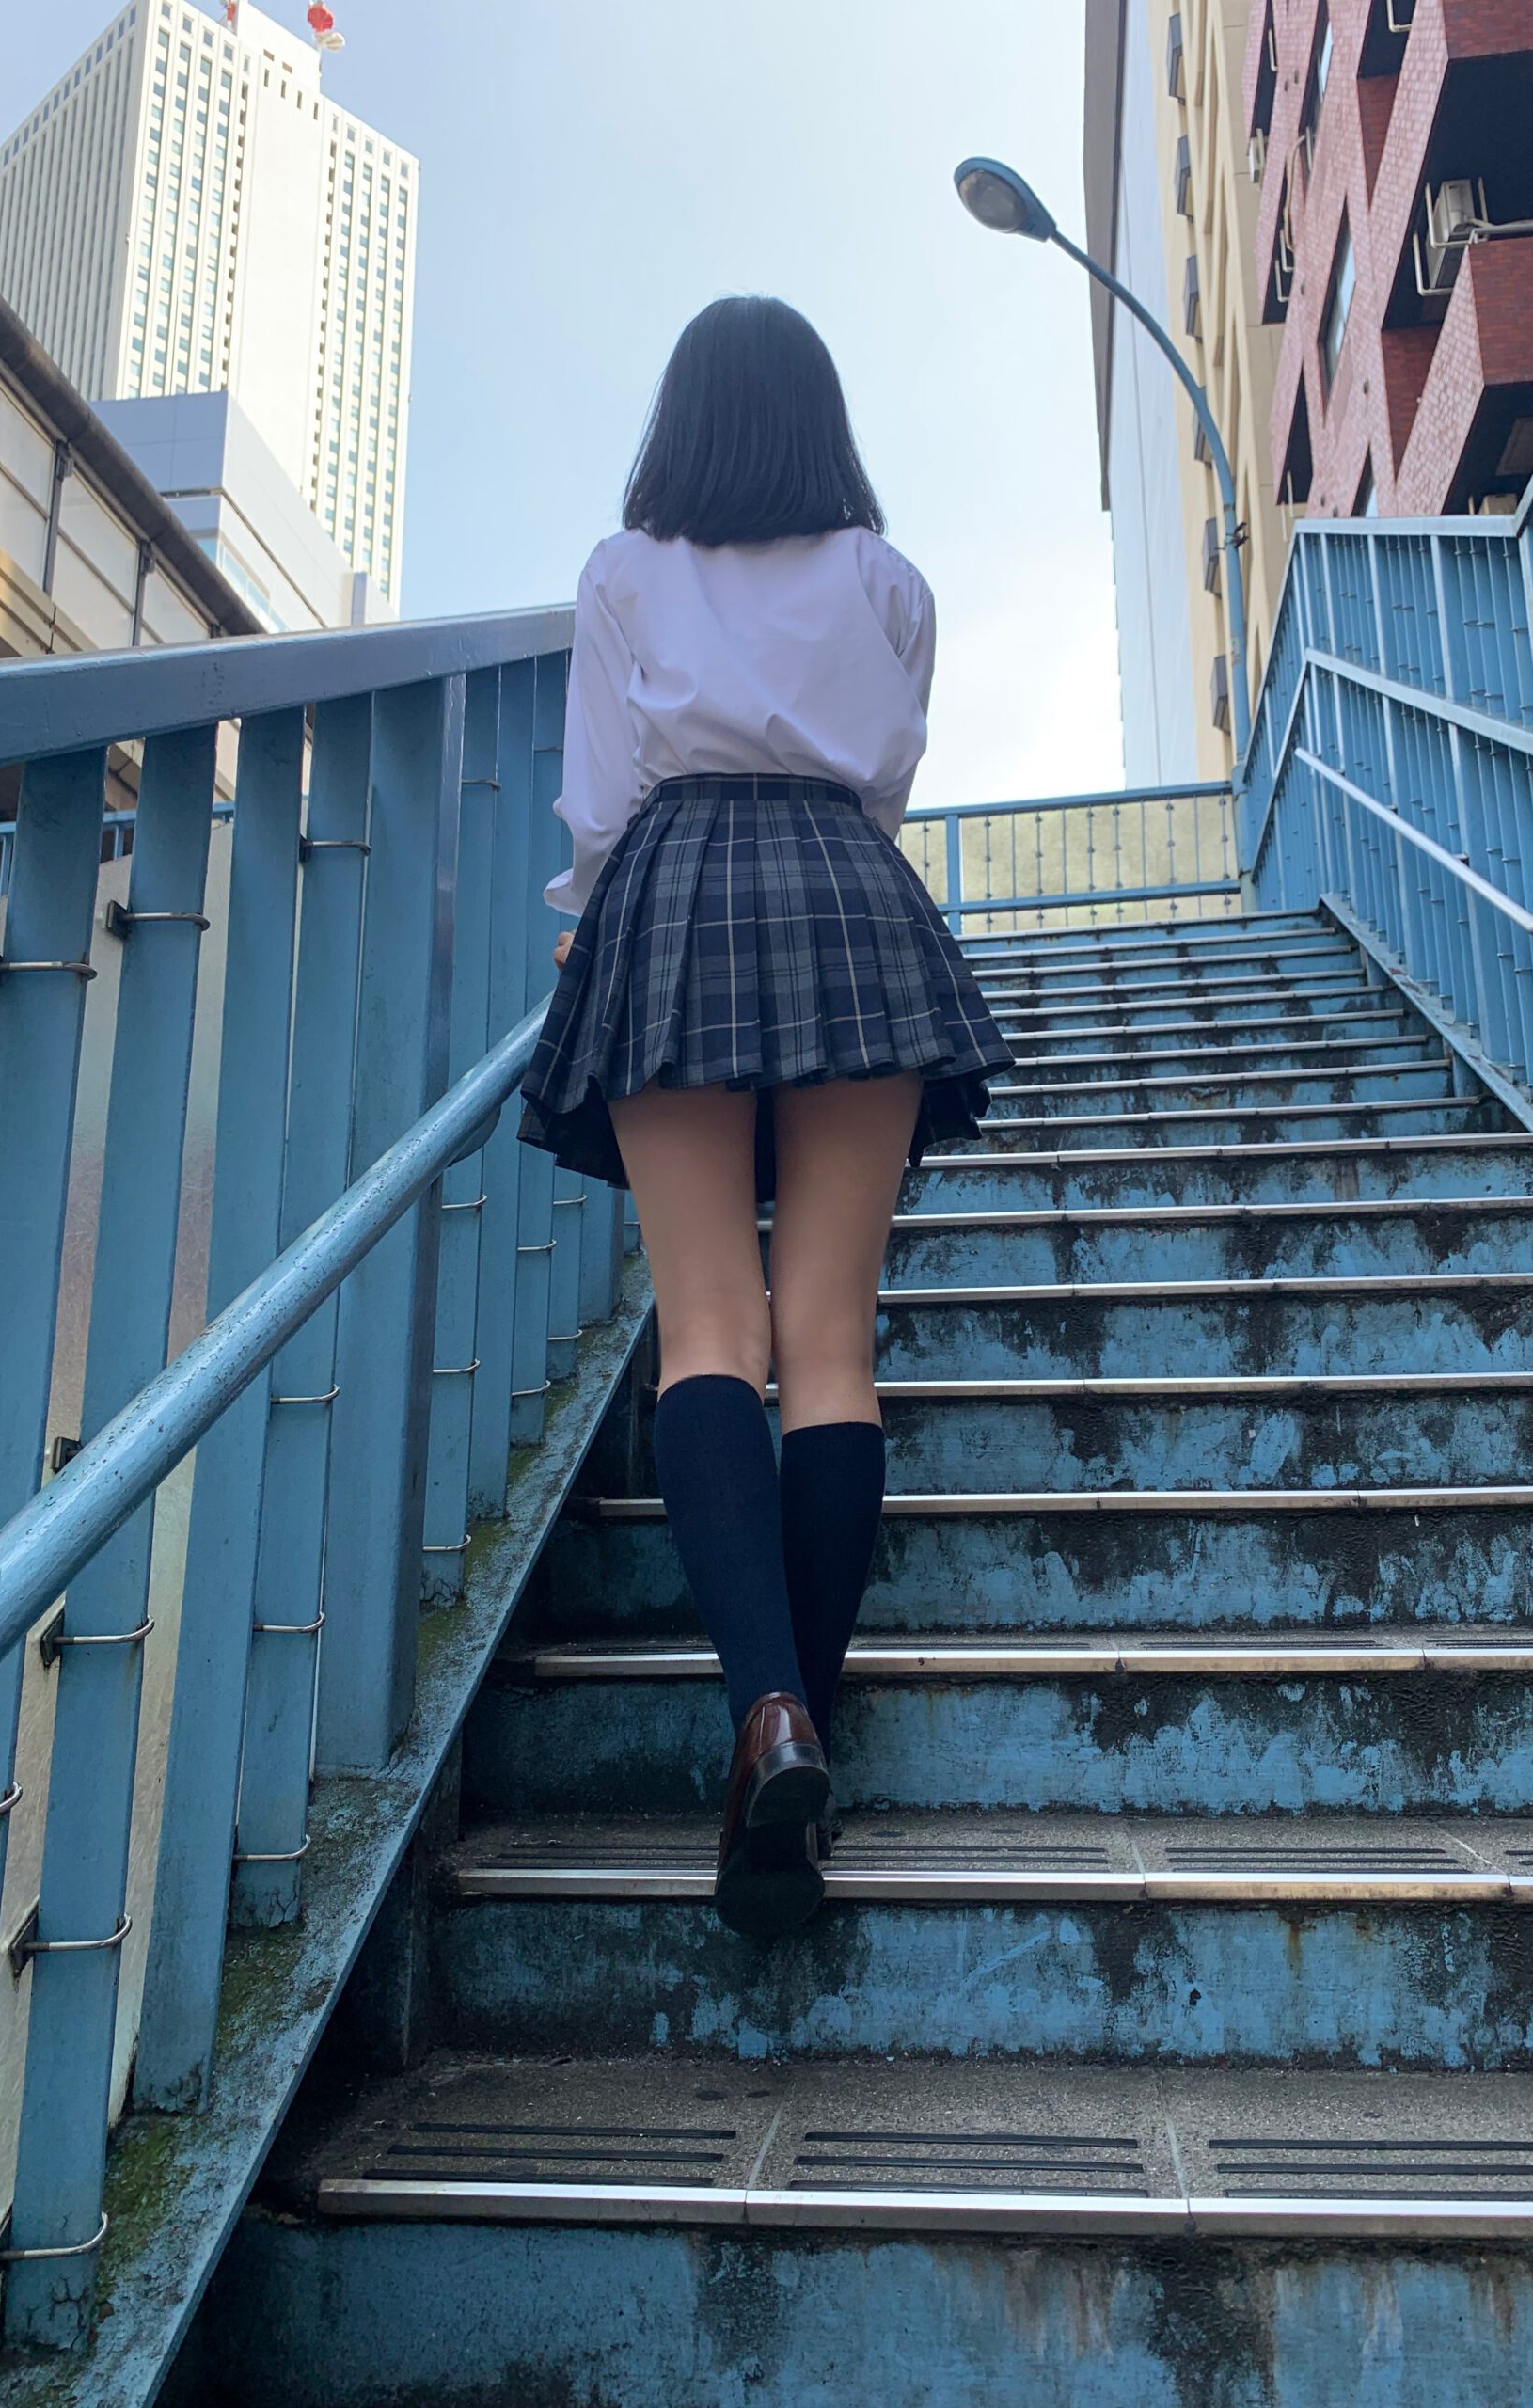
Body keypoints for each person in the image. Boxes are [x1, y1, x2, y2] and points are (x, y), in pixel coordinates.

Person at [519, 294, 1014, 1940]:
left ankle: (767, 1714)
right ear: (821, 421)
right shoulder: (891, 581)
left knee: (710, 1327)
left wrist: (596, 928)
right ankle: (799, 1755)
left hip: (675, 893)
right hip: (852, 897)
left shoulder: (623, 572)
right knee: (830, 1339)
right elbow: (889, 781)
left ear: (680, 420)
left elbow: (601, 809)